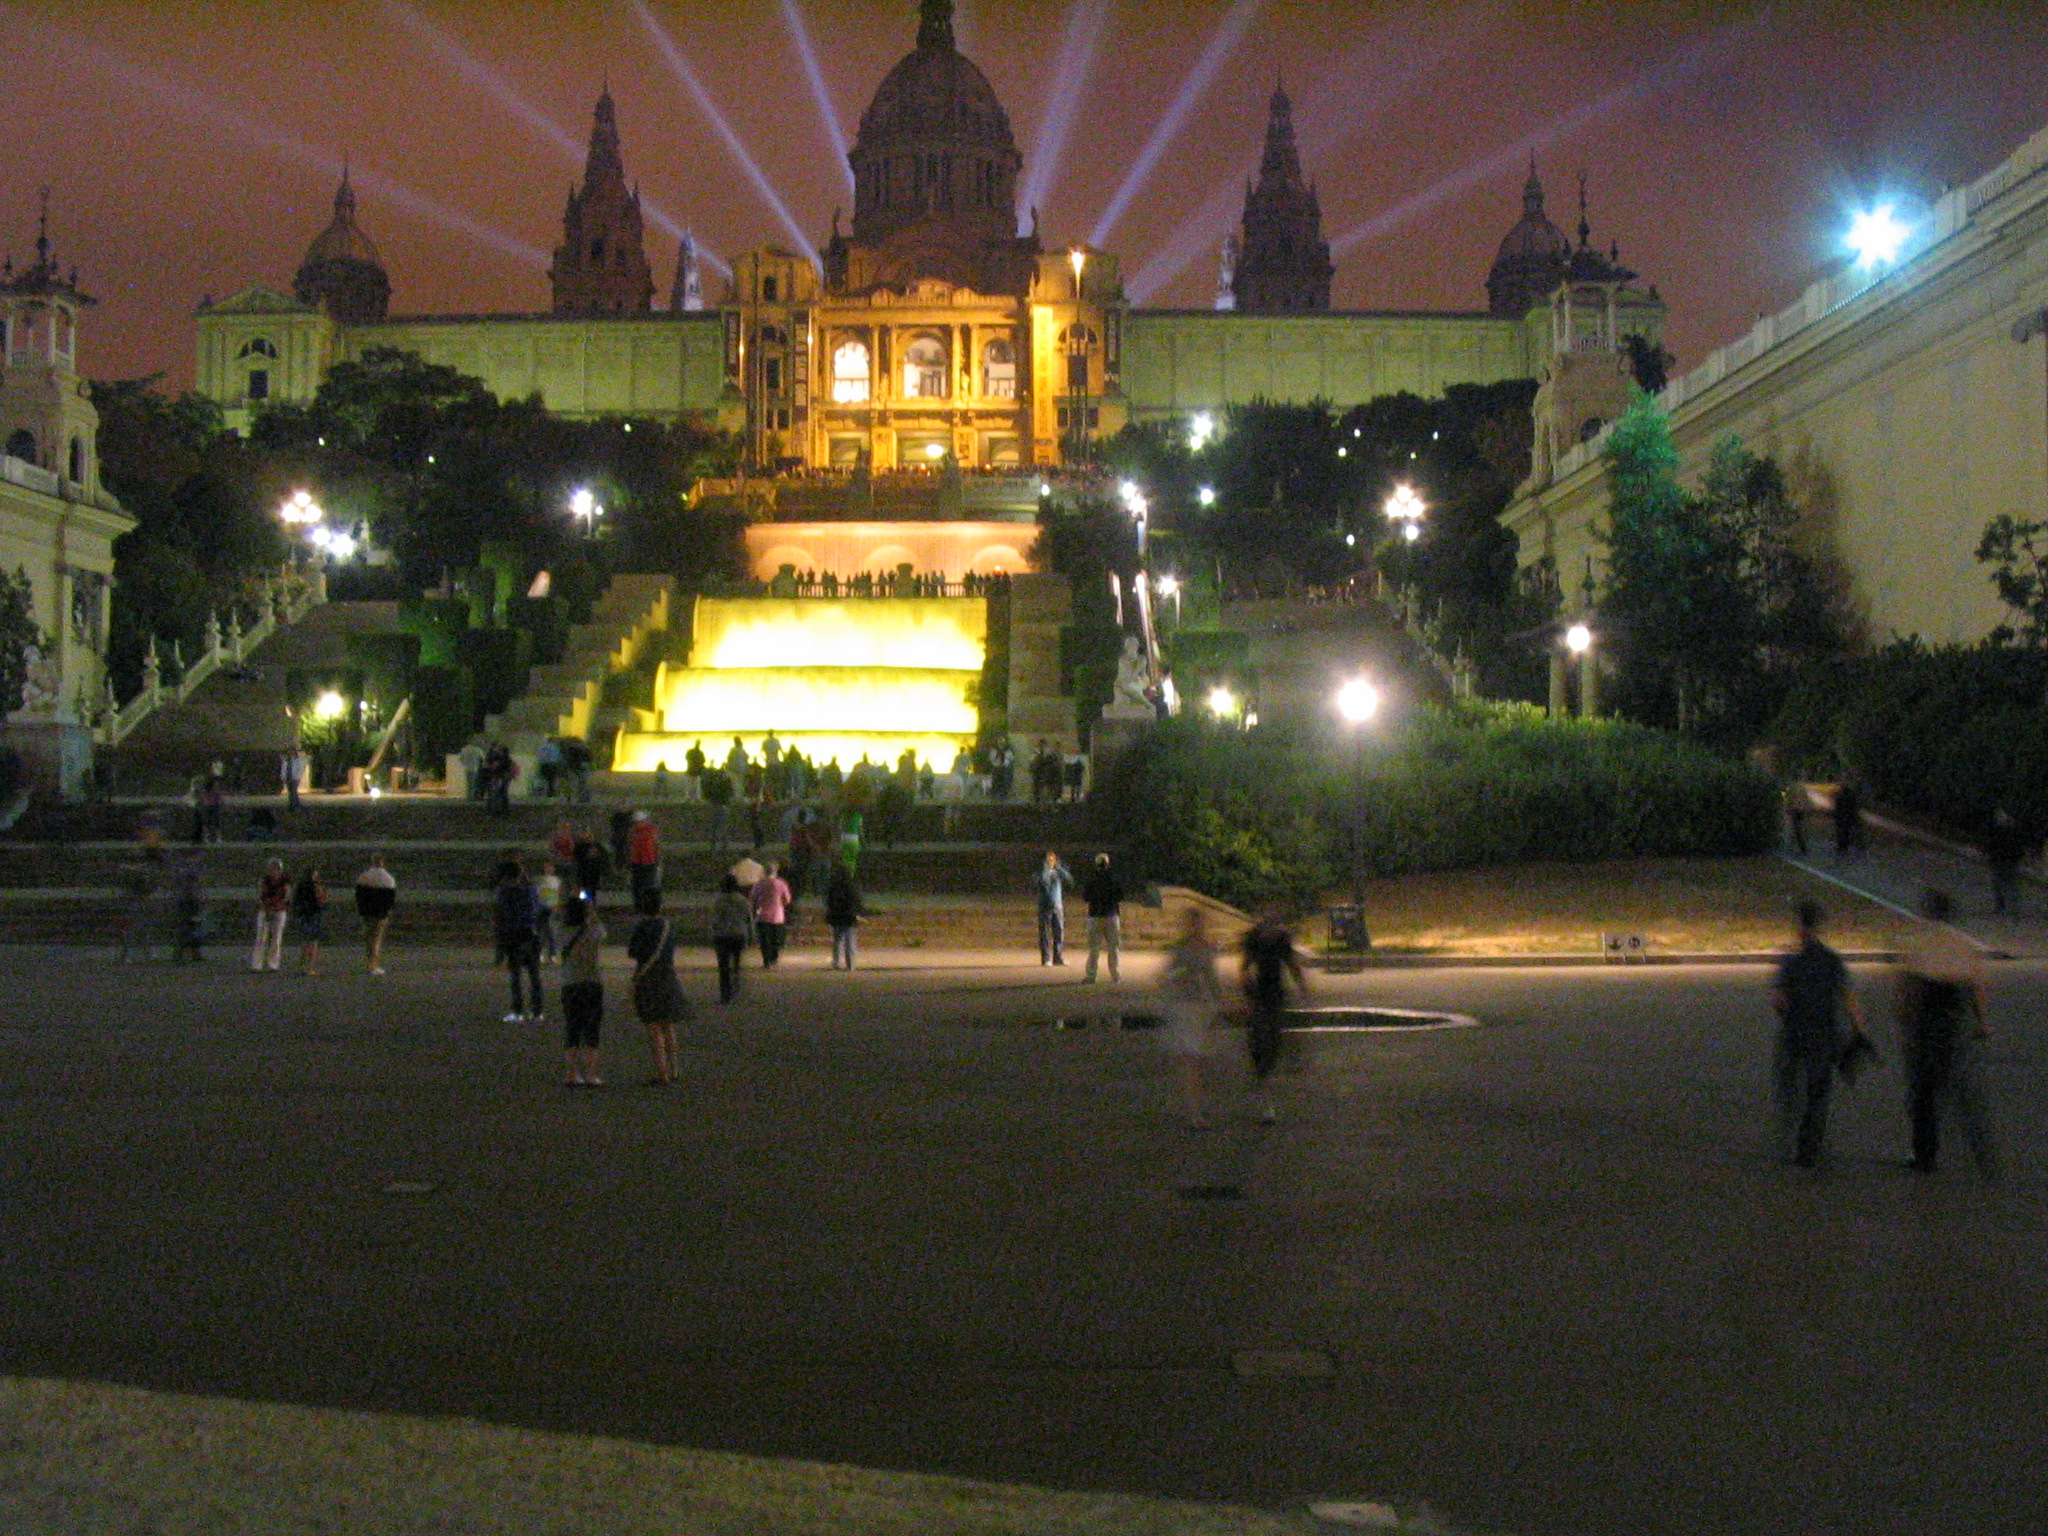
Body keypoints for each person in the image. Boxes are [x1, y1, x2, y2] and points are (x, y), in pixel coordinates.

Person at [1897, 888, 1998, 1178]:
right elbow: (1977, 988)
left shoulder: (1917, 943)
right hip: (1954, 1023)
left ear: (1927, 912)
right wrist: (1982, 1022)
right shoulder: (1964, 944)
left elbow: (1908, 988)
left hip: (1926, 1024)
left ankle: (1924, 1155)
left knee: (1923, 1092)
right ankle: (1983, 1153)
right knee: (1963, 1090)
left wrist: (1904, 1021)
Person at [1769, 901, 1865, 1169]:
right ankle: (1810, 1144)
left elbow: (1777, 1000)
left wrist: (1788, 1015)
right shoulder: (1833, 960)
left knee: (1791, 1083)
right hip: (1824, 1032)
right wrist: (1859, 1029)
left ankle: (1792, 1132)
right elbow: (1848, 997)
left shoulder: (1790, 961)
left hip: (1796, 1032)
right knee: (1819, 1090)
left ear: (1799, 927)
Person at [1240, 908, 1309, 1124]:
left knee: (1272, 1041)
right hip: (1260, 997)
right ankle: (1266, 1096)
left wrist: (1302, 986)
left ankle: (1282, 1063)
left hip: (1274, 995)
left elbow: (1291, 964)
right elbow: (1245, 968)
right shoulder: (1254, 938)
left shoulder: (1279, 939)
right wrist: (1247, 994)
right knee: (1263, 1046)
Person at [1159, 906, 1223, 1128]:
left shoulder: (1206, 948)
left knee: (1196, 1061)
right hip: (1183, 1007)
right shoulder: (1181, 949)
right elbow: (1166, 977)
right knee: (1190, 1060)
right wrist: (1181, 978)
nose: (1196, 928)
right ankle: (1194, 1113)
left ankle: (1182, 1103)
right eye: (1193, 923)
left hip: (1200, 1008)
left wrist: (1217, 1005)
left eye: (1199, 923)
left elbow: (1212, 979)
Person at [627, 890, 688, 1085]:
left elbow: (633, 952)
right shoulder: (668, 926)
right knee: (668, 1025)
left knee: (654, 1027)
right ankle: (674, 1068)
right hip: (668, 976)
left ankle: (662, 1073)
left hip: (648, 978)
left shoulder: (641, 927)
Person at [558, 894, 605, 1087]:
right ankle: (591, 1075)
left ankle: (571, 1073)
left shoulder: (561, 932)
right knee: (591, 1030)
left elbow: (554, 917)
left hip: (570, 984)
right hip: (592, 983)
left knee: (572, 1029)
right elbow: (602, 931)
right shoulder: (593, 931)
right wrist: (591, 911)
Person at [494, 857, 544, 1023]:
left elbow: (501, 917)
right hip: (531, 934)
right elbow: (537, 910)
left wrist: (500, 945)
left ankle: (518, 1011)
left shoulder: (505, 892)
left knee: (516, 976)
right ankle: (537, 1011)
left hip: (514, 935)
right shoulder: (530, 890)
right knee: (534, 974)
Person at [710, 874, 755, 1002]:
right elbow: (748, 919)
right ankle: (736, 986)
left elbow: (715, 919)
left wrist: (712, 933)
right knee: (736, 963)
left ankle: (725, 993)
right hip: (738, 934)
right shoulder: (742, 900)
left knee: (723, 966)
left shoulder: (718, 900)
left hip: (722, 935)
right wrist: (751, 934)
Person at [1081, 852, 1124, 983]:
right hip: (1111, 915)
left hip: (1095, 915)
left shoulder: (1092, 878)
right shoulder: (1114, 878)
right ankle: (1115, 975)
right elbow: (1120, 896)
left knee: (1094, 949)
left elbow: (1086, 897)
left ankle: (1091, 975)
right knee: (1113, 948)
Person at [353, 853, 397, 974]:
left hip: (366, 912)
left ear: (372, 862)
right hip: (381, 913)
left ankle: (369, 962)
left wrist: (361, 909)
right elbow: (391, 900)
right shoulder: (388, 878)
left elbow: (358, 895)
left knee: (368, 937)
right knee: (376, 938)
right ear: (382, 862)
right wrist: (387, 912)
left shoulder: (364, 876)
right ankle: (374, 964)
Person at [1035, 851, 1075, 966]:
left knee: (1059, 932)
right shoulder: (1041, 873)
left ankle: (1058, 957)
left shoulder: (1058, 873)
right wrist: (1046, 870)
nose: (1051, 862)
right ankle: (1046, 958)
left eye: (1053, 860)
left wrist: (1059, 868)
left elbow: (1069, 880)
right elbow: (1041, 881)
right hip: (1044, 906)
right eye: (1049, 860)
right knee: (1045, 932)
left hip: (1057, 905)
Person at [1985, 807, 2027, 915]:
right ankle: (2011, 908)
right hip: (2007, 860)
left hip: (2003, 860)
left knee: (2002, 884)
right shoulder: (2013, 830)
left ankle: (2004, 907)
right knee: (2007, 884)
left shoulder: (2001, 831)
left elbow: (1993, 846)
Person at [751, 858, 792, 968]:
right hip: (777, 915)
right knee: (775, 939)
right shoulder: (781, 884)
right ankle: (774, 959)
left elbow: (753, 898)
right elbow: (787, 900)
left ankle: (766, 961)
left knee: (764, 940)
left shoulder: (759, 884)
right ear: (775, 871)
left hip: (762, 915)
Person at [251, 858, 290, 972]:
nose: (274, 871)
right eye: (272, 868)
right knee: (261, 938)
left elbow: (287, 896)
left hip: (279, 911)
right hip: (265, 910)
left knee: (276, 938)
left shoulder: (285, 882)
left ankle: (273, 964)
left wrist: (278, 906)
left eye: (277, 868)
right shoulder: (264, 881)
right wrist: (266, 908)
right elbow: (260, 896)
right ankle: (257, 964)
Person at [824, 860, 863, 970]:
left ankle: (836, 962)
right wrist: (859, 912)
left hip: (837, 916)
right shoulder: (852, 885)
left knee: (838, 940)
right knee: (850, 941)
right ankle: (851, 964)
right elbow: (856, 900)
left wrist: (830, 912)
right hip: (849, 916)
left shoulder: (834, 886)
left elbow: (829, 901)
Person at [290, 866, 327, 977]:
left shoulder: (300, 886)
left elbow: (295, 900)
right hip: (314, 915)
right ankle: (310, 968)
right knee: (313, 942)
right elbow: (321, 900)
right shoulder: (317, 886)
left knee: (304, 941)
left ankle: (301, 966)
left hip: (303, 915)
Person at [626, 810, 661, 907]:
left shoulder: (649, 831)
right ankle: (642, 905)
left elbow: (655, 845)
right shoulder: (634, 831)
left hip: (648, 861)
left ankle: (647, 905)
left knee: (647, 885)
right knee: (639, 885)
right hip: (639, 861)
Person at [535, 861, 563, 962]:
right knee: (540, 931)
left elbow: (558, 893)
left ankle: (553, 954)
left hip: (552, 907)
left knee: (552, 931)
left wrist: (557, 904)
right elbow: (537, 893)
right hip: (541, 907)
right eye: (546, 867)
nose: (548, 869)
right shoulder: (539, 880)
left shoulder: (556, 880)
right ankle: (540, 953)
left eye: (550, 867)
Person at [1832, 779, 1863, 857]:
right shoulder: (1850, 795)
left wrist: (1836, 815)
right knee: (1846, 831)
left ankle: (1842, 846)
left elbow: (1837, 806)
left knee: (1841, 831)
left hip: (1842, 816)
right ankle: (1845, 846)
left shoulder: (1840, 795)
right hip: (1847, 815)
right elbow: (1854, 806)